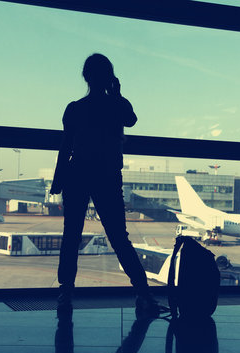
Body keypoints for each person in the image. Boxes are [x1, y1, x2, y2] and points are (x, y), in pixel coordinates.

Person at [50, 53, 159, 317]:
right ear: (110, 76)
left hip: (78, 175)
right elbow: (131, 119)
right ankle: (143, 293)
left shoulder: (74, 108)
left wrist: (58, 179)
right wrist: (118, 93)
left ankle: (66, 292)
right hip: (107, 176)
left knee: (71, 235)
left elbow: (66, 147)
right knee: (119, 238)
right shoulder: (116, 106)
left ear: (85, 77)